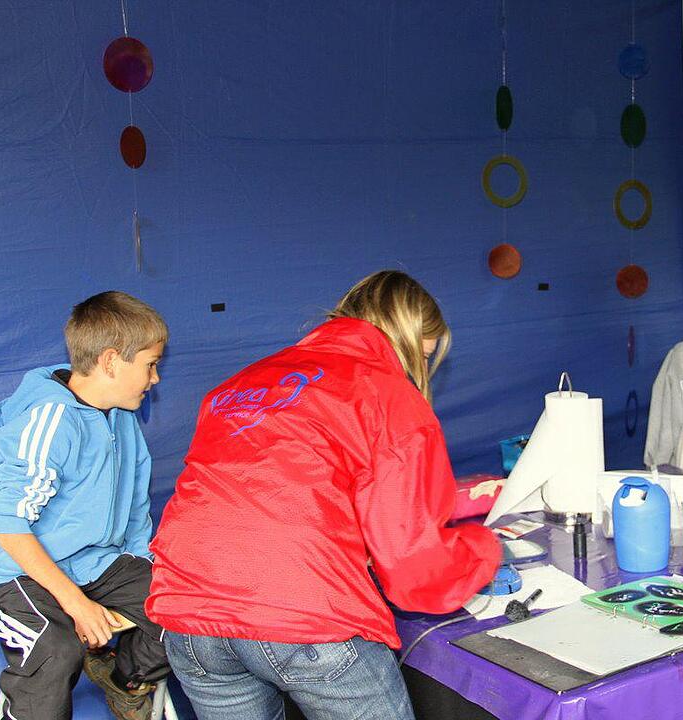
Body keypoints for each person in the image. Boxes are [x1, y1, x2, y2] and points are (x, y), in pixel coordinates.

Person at [146, 270, 501, 720]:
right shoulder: (388, 393)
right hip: (301, 609)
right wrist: (486, 548)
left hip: (190, 613)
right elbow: (417, 570)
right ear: (406, 340)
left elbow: (266, 491)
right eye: (422, 355)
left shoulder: (238, 384)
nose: (420, 369)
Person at [0, 291, 170, 720]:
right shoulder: (50, 421)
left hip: (96, 562)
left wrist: (141, 566)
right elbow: (10, 528)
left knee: (185, 606)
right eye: (150, 365)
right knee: (55, 650)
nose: (155, 380)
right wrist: (76, 603)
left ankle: (124, 678)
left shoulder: (122, 417)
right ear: (112, 361)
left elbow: (134, 508)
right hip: (16, 569)